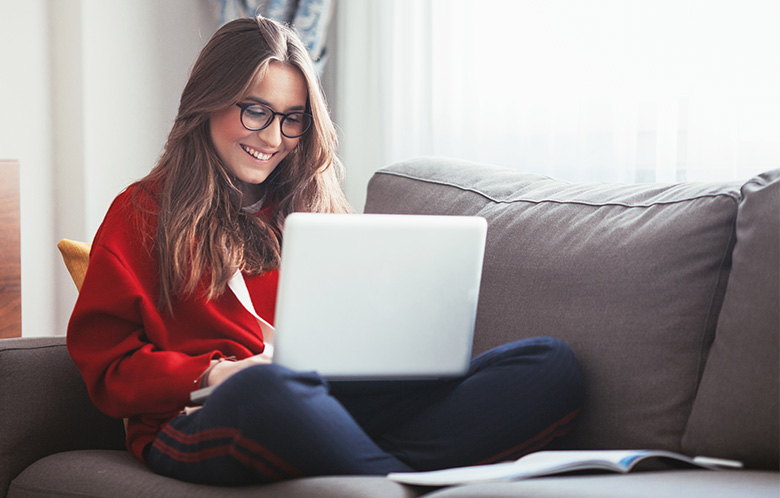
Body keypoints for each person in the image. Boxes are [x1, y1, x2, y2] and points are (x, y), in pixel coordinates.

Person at [67, 16, 583, 486]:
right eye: (255, 112)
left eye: (293, 119)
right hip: (208, 415)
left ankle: (370, 470)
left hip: (334, 404)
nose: (274, 137)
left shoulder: (312, 208)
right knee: (266, 390)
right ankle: (392, 474)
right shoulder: (143, 211)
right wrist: (212, 373)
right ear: (208, 101)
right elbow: (108, 368)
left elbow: (358, 329)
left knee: (549, 364)